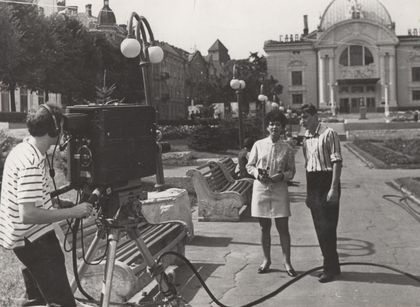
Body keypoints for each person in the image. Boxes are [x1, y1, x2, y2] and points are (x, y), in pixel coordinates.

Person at [0, 103, 93, 306]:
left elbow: (26, 197)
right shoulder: (31, 162)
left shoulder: (23, 149)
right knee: (62, 301)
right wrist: (73, 212)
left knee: (37, 300)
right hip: (35, 241)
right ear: (54, 130)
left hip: (22, 240)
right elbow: (29, 213)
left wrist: (56, 202)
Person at [246, 110, 297, 276]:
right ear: (267, 126)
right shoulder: (258, 144)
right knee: (264, 228)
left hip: (279, 189)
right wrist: (257, 174)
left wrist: (281, 176)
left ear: (282, 127)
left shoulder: (287, 148)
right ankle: (266, 260)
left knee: (283, 227)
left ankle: (287, 262)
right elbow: (250, 165)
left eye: (278, 124)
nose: (274, 127)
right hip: (261, 189)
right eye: (271, 124)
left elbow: (292, 171)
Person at [300, 104, 343, 283]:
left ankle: (329, 269)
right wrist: (308, 192)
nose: (302, 121)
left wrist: (333, 188)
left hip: (327, 183)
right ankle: (334, 266)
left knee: (328, 229)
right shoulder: (306, 137)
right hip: (313, 184)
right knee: (320, 228)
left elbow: (337, 162)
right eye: (300, 118)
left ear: (315, 116)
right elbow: (307, 163)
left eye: (305, 117)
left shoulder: (329, 134)